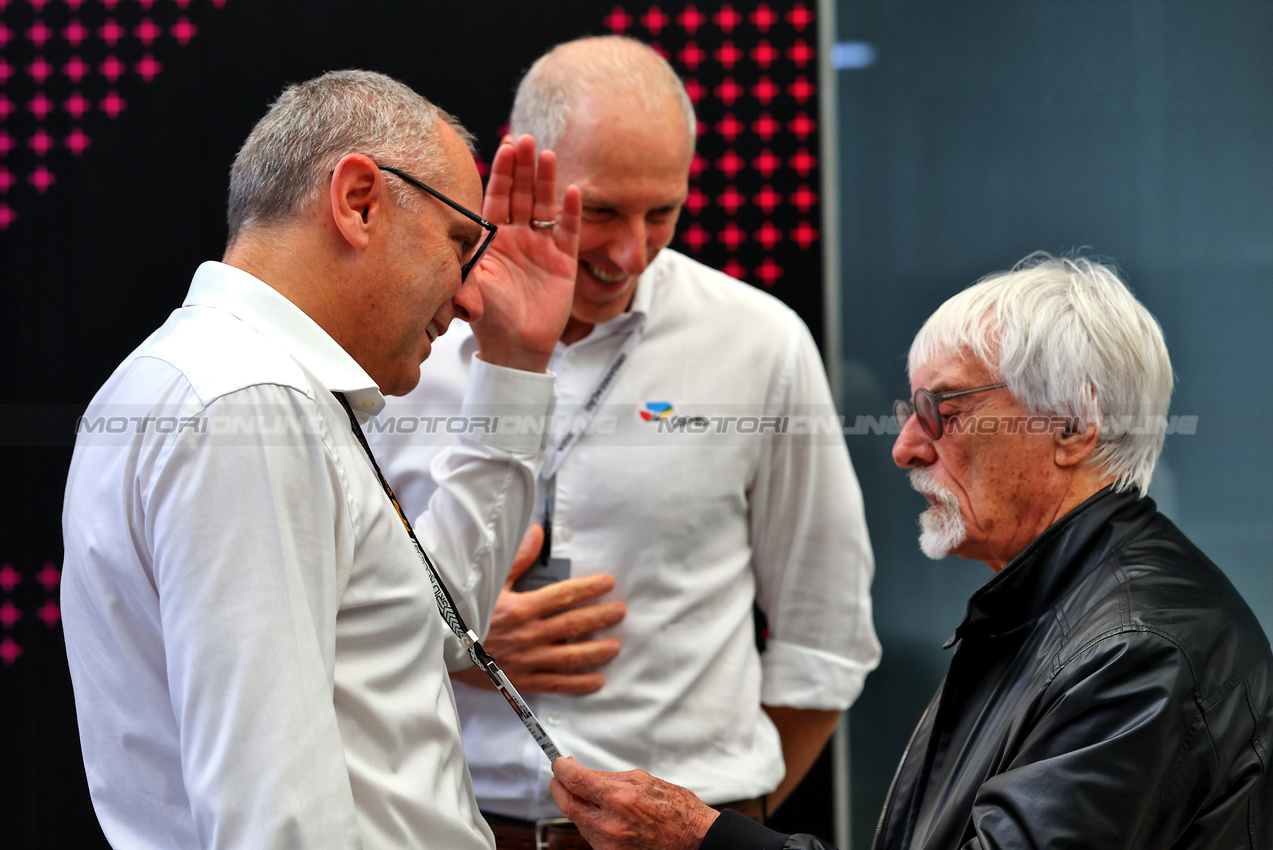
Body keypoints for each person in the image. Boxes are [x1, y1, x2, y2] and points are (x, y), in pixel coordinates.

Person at [545, 254, 1273, 850]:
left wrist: (707, 841)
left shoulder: (1132, 648)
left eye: (944, 411)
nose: (904, 449)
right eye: (909, 413)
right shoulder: (1061, 606)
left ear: (1073, 425)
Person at [369, 36, 880, 846]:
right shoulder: (402, 346)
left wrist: (714, 825)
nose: (628, 252)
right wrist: (445, 636)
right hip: (441, 828)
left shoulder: (758, 341)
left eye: (663, 213)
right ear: (523, 165)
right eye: (599, 209)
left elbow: (826, 643)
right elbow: (312, 623)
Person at [61, 70, 582, 849]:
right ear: (358, 201)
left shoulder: (227, 383)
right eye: (458, 243)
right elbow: (274, 818)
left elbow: (435, 622)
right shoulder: (249, 404)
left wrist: (513, 361)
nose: (472, 297)